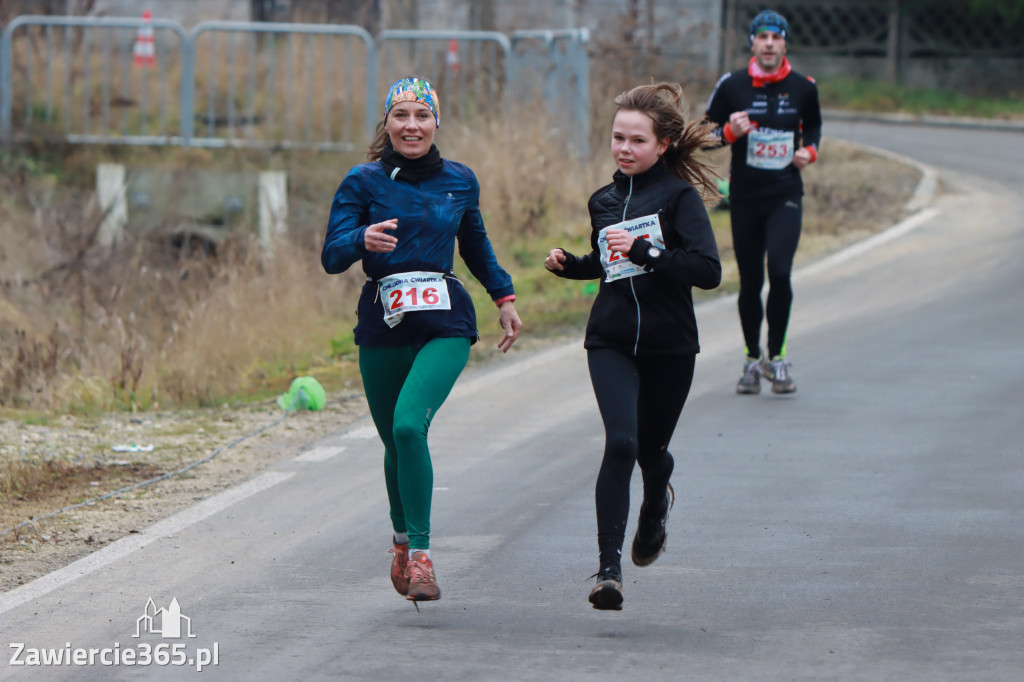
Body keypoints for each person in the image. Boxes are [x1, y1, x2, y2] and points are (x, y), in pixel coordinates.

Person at [321, 76, 523, 603]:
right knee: (394, 440)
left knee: (410, 426)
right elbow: (331, 255)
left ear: (437, 123)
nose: (412, 126)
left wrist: (503, 298)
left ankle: (425, 558)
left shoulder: (459, 180)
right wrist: (359, 239)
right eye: (401, 116)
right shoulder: (362, 181)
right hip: (383, 323)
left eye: (422, 116)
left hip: (445, 323)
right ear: (387, 123)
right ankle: (402, 543)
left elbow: (475, 244)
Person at [544, 82, 722, 610]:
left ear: (663, 144)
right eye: (618, 138)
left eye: (637, 140)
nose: (624, 148)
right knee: (621, 443)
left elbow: (707, 271)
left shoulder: (679, 198)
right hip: (612, 339)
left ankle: (655, 500)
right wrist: (572, 266)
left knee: (650, 451)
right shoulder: (603, 200)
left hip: (670, 344)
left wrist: (648, 250)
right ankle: (607, 571)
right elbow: (608, 263)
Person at [704, 8, 822, 395]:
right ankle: (752, 359)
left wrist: (810, 151)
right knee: (751, 280)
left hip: (785, 194)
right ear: (752, 43)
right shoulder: (732, 85)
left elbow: (814, 126)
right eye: (762, 37)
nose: (769, 43)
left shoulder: (804, 87)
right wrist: (729, 133)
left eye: (776, 37)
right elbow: (705, 136)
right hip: (745, 197)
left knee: (782, 272)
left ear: (785, 43)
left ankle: (779, 356)